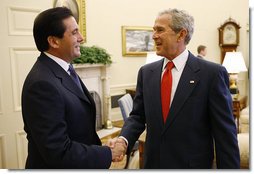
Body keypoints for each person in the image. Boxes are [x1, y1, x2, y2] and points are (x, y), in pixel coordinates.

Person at [110, 8, 240, 169]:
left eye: (160, 30)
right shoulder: (146, 73)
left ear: (181, 34)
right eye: (154, 30)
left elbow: (225, 136)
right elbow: (137, 116)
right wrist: (123, 140)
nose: (154, 35)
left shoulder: (212, 74)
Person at [21, 7, 125, 169]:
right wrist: (107, 153)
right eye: (75, 32)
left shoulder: (63, 69)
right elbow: (58, 151)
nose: (81, 38)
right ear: (54, 41)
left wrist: (101, 148)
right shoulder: (41, 85)